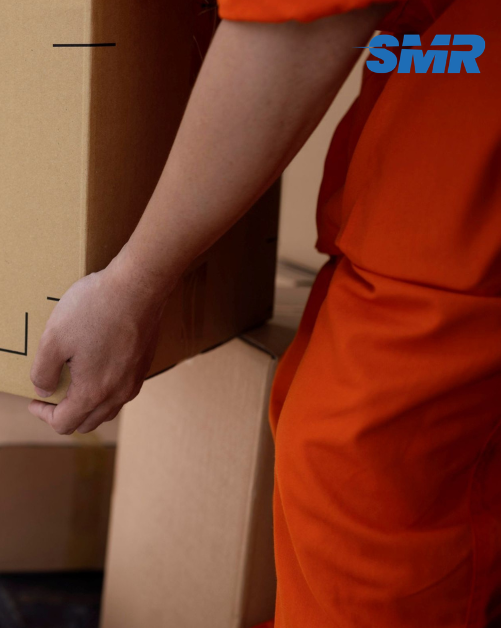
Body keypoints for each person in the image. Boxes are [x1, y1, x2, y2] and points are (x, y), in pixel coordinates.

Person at [29, 0, 499, 626]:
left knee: (362, 476)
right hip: (441, 138)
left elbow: (292, 30)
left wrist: (132, 284)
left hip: (463, 171)